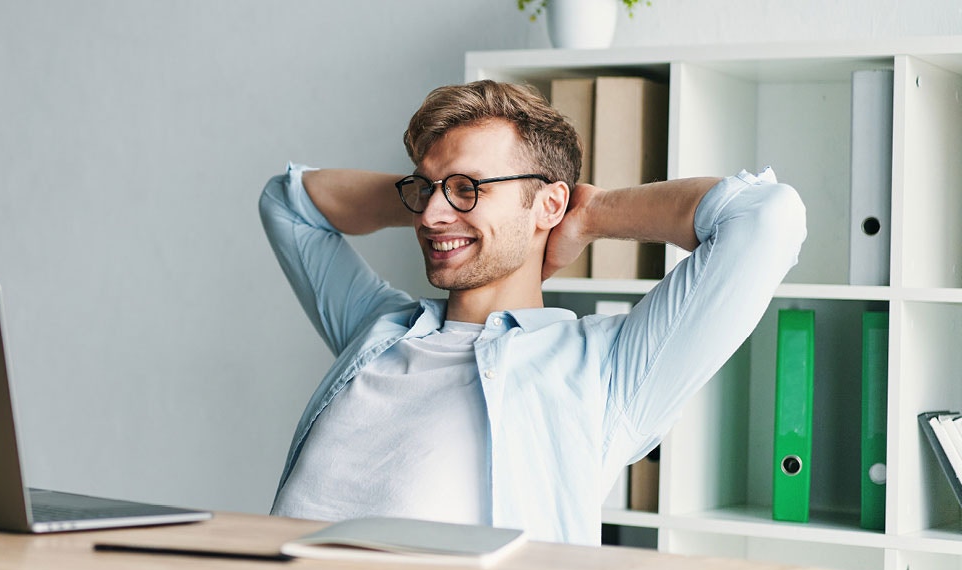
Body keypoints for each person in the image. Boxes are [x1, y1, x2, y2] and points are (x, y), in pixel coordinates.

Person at [257, 80, 806, 545]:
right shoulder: (377, 328)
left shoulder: (604, 370)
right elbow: (290, 202)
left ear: (549, 203)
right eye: (424, 191)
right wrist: (444, 202)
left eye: (469, 187)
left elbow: (767, 218)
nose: (429, 216)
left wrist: (591, 215)